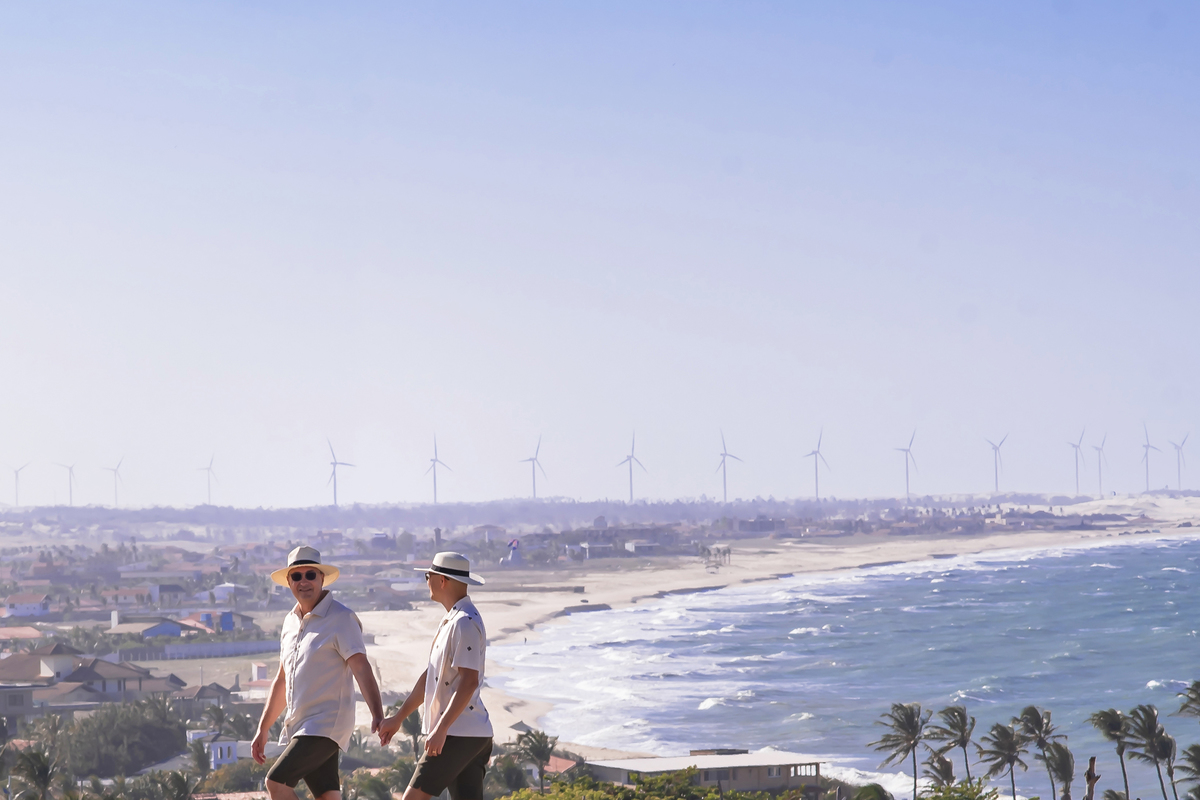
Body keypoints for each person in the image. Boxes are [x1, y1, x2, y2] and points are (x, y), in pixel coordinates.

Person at [253, 545, 385, 800]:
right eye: (297, 576)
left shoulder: (342, 618)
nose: (304, 582)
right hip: (300, 724)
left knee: (276, 783)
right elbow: (283, 679)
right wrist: (263, 728)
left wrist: (378, 715)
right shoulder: (289, 622)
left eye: (310, 575)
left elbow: (361, 668)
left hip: (325, 725)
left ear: (322, 578)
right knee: (328, 796)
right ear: (289, 582)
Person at [379, 552, 492, 800]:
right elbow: (431, 677)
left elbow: (469, 682)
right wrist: (398, 718)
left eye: (428, 576)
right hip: (466, 733)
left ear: (442, 580)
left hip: (458, 734)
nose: (426, 581)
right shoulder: (452, 619)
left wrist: (441, 729)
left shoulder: (463, 622)